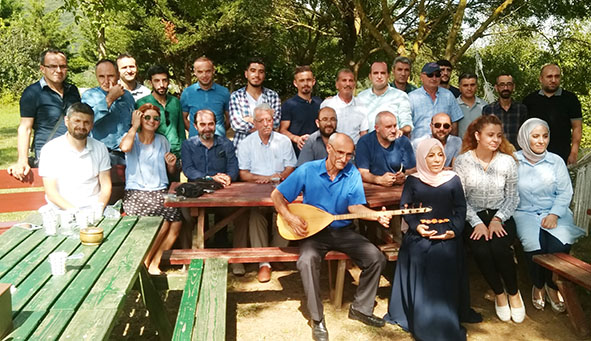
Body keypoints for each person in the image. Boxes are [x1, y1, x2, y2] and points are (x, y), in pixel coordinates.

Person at [271, 133, 392, 341]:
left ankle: (361, 308)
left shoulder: (352, 173)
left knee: (376, 257)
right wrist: (289, 217)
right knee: (306, 261)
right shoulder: (308, 170)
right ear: (329, 149)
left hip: (343, 231)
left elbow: (354, 207)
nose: (344, 159)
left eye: (349, 155)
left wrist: (375, 216)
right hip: (314, 232)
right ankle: (317, 320)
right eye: (340, 153)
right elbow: (277, 195)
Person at [384, 138, 467, 340]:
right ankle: (422, 316)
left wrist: (454, 231)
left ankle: (444, 315)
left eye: (440, 155)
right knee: (420, 253)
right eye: (431, 155)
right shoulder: (413, 180)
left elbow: (460, 208)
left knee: (444, 253)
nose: (437, 160)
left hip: (447, 232)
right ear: (422, 157)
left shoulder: (453, 178)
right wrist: (417, 226)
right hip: (419, 234)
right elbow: (406, 207)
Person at [453, 114, 524, 323]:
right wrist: (476, 223)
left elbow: (513, 197)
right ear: (477, 136)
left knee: (499, 247)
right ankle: (499, 294)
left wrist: (497, 219)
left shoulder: (507, 162)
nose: (495, 140)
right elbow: (460, 199)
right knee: (481, 248)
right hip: (472, 215)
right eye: (490, 135)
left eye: (499, 136)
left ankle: (514, 293)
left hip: (500, 214)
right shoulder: (463, 162)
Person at [513, 118, 584, 312]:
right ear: (525, 138)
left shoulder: (555, 161)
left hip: (554, 210)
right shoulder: (513, 160)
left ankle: (552, 286)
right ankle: (538, 285)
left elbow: (565, 192)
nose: (541, 141)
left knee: (559, 245)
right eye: (535, 136)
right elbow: (508, 191)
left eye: (545, 136)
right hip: (524, 212)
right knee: (533, 245)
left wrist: (554, 214)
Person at [181, 109, 247, 275]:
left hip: (224, 194)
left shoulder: (226, 143)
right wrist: (210, 178)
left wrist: (228, 177)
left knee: (242, 214)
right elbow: (188, 170)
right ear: (195, 126)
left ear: (215, 124)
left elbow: (233, 166)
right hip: (197, 194)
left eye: (210, 124)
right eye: (202, 124)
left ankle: (238, 260)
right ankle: (191, 259)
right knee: (185, 217)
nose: (207, 128)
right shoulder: (188, 145)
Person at [120, 103, 182, 275]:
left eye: (155, 118)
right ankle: (144, 263)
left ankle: (154, 263)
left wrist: (171, 165)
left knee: (176, 223)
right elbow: (124, 148)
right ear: (140, 118)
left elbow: (169, 172)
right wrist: (134, 126)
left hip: (160, 191)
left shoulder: (162, 140)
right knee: (162, 223)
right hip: (136, 192)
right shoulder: (132, 137)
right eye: (147, 117)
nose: (151, 121)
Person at [237, 103, 296, 282]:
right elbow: (244, 173)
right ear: (254, 123)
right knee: (255, 215)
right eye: (261, 121)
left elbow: (291, 166)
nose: (265, 124)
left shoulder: (283, 141)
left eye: (269, 120)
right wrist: (261, 178)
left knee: (287, 212)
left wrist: (280, 176)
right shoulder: (246, 143)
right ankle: (264, 263)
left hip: (280, 188)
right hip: (256, 190)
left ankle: (276, 253)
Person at [8, 49, 81, 181]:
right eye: (52, 66)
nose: (58, 70)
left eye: (62, 66)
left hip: (75, 153)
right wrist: (22, 160)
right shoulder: (32, 93)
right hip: (48, 155)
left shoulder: (73, 91)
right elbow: (25, 128)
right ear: (42, 68)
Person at [38, 102, 111, 211]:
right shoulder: (51, 149)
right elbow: (51, 193)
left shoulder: (100, 148)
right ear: (67, 121)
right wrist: (76, 212)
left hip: (93, 210)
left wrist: (98, 209)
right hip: (62, 211)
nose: (81, 126)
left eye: (86, 122)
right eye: (77, 121)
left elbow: (106, 186)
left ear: (92, 125)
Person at [523, 64, 582, 165]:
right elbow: (524, 130)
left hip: (562, 156)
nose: (553, 80)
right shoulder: (530, 100)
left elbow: (577, 127)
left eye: (557, 76)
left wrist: (574, 153)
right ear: (541, 79)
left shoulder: (570, 99)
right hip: (535, 156)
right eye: (549, 76)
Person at [136, 65, 186, 181]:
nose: (161, 84)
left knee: (174, 192)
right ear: (150, 82)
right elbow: (139, 130)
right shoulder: (142, 103)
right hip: (153, 155)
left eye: (164, 80)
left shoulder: (175, 102)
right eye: (157, 81)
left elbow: (180, 129)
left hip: (174, 153)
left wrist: (183, 154)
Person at [82, 59, 135, 166]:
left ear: (118, 76)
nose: (106, 81)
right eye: (101, 76)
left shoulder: (128, 96)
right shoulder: (89, 96)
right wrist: (110, 98)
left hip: (126, 155)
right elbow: (87, 122)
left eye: (110, 76)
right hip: (101, 154)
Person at [229, 58, 281, 147]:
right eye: (253, 71)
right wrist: (265, 123)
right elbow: (236, 124)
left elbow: (275, 122)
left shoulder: (272, 96)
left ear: (264, 75)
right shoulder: (237, 96)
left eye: (261, 72)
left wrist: (249, 119)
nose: (257, 75)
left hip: (268, 147)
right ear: (246, 74)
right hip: (242, 147)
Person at [408, 62, 463, 145]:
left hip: (443, 149)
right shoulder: (412, 97)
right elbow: (406, 125)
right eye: (430, 75)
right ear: (422, 77)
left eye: (437, 75)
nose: (434, 78)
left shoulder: (448, 95)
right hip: (418, 147)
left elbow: (454, 122)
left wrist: (451, 146)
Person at [356, 111, 415, 187]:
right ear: (377, 128)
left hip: (397, 187)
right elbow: (362, 172)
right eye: (388, 127)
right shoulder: (365, 142)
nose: (393, 130)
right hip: (372, 187)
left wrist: (404, 176)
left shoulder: (403, 141)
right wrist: (379, 179)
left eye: (395, 126)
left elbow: (413, 169)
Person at [356, 61, 413, 135]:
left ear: (388, 76)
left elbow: (407, 124)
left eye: (382, 73)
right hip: (368, 142)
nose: (379, 76)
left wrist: (400, 132)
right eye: (375, 73)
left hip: (393, 140)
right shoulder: (361, 97)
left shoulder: (400, 96)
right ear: (370, 76)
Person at [181, 56, 230, 138]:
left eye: (208, 71)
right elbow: (183, 119)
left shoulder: (224, 92)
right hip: (195, 144)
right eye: (200, 72)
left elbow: (229, 119)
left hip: (219, 144)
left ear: (213, 71)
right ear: (195, 72)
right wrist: (194, 130)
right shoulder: (187, 93)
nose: (204, 75)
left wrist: (219, 131)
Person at [279, 65, 322, 156]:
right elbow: (282, 130)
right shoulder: (289, 105)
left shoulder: (320, 103)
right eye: (301, 80)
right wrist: (296, 139)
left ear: (313, 81)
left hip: (317, 153)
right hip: (296, 154)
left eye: (308, 80)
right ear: (295, 83)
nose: (305, 83)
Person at [320, 68, 367, 143]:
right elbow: (322, 131)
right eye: (344, 80)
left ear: (354, 84)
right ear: (337, 84)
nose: (348, 84)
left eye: (350, 81)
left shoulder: (361, 105)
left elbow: (363, 133)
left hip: (354, 151)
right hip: (332, 150)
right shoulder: (327, 104)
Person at [482, 73, 527, 148]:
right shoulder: (488, 110)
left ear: (513, 87)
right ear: (496, 87)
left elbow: (526, 134)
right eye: (502, 85)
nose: (506, 88)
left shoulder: (521, 109)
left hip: (517, 154)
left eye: (509, 84)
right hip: (496, 153)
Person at [456, 73, 487, 138]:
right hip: (459, 146)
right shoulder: (453, 105)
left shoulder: (484, 106)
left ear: (477, 86)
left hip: (479, 146)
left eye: (472, 85)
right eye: (465, 85)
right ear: (459, 87)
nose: (469, 88)